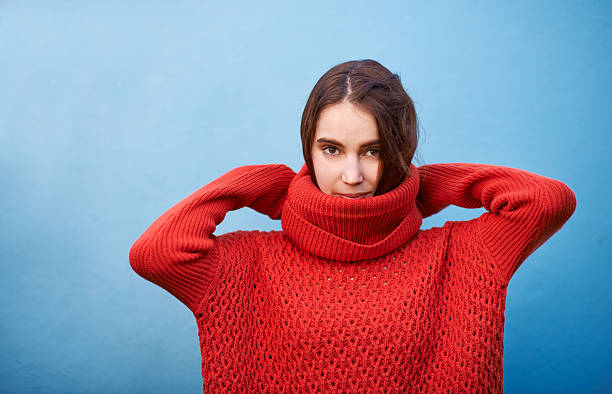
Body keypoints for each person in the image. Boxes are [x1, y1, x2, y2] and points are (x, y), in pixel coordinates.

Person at [129, 59, 577, 392]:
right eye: (331, 149)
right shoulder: (245, 263)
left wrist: (420, 187)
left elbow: (547, 200)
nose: (351, 175)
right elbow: (156, 253)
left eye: (374, 151)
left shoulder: (463, 254)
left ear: (400, 153)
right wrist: (259, 186)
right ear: (308, 147)